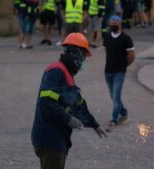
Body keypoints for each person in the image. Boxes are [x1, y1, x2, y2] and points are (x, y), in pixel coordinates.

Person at [31, 32, 106, 169]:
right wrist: (68, 119)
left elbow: (79, 104)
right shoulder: (56, 71)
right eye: (83, 56)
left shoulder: (67, 75)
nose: (83, 61)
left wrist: (94, 124)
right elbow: (46, 103)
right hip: (49, 140)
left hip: (57, 140)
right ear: (75, 53)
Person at [102, 15, 135, 132]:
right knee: (113, 96)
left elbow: (131, 56)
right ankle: (124, 113)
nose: (113, 24)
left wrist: (123, 66)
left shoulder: (126, 38)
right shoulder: (106, 37)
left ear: (120, 23)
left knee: (116, 96)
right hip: (108, 71)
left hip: (119, 72)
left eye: (116, 22)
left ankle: (114, 120)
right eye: (112, 22)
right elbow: (106, 50)